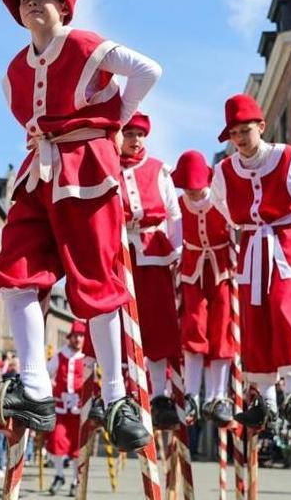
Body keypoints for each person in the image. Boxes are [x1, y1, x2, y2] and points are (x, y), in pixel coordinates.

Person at [0, 0, 161, 452]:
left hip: (87, 166)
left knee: (95, 281)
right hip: (40, 171)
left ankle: (115, 398)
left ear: (64, 7)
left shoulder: (84, 44)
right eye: (25, 0)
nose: (32, 4)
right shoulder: (13, 71)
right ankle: (34, 387)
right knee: (16, 271)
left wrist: (114, 120)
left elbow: (147, 70)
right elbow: (29, 121)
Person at [210, 94, 291, 427]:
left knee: (286, 310)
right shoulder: (225, 169)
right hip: (253, 245)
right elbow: (216, 197)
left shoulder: (287, 156)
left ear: (261, 126)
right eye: (234, 133)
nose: (240, 138)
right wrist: (238, 221)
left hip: (286, 242)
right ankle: (265, 400)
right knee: (255, 318)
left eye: (245, 130)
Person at [118, 112, 183, 426]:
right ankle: (124, 391)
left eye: (140, 134)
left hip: (154, 253)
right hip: (120, 254)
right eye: (129, 133)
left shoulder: (159, 169)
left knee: (157, 324)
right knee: (123, 324)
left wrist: (177, 249)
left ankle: (159, 393)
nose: (135, 140)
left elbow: (174, 213)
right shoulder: (107, 167)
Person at [172, 150, 236, 426]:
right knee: (193, 326)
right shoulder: (178, 205)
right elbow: (173, 236)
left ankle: (217, 395)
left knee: (221, 329)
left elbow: (236, 230)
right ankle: (191, 394)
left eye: (195, 187)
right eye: (187, 187)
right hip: (192, 270)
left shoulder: (221, 201)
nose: (191, 192)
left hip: (221, 270)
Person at [45, 321, 86, 496]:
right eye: (75, 335)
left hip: (79, 410)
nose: (78, 339)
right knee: (56, 441)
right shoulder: (60, 355)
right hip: (61, 408)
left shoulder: (87, 358)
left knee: (77, 447)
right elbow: (45, 373)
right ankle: (59, 475)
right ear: (70, 337)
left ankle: (75, 480)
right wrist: (50, 385)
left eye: (81, 336)